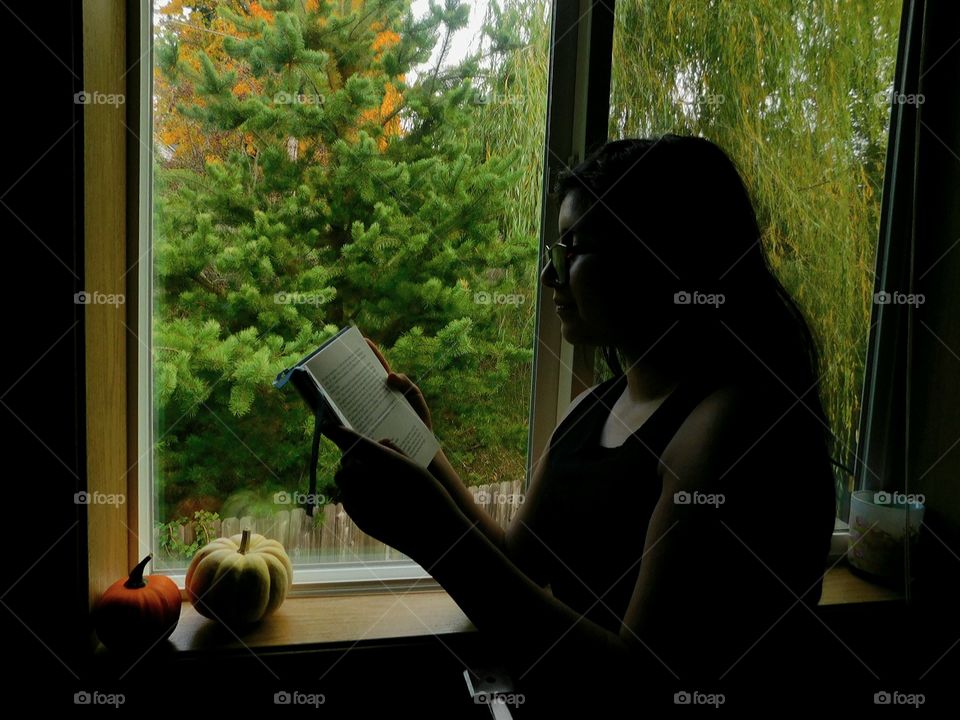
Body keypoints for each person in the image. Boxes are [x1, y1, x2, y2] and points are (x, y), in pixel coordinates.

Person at [323, 135, 837, 712]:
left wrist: (434, 537)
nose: (550, 273)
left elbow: (643, 687)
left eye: (573, 247)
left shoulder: (733, 429)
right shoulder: (595, 408)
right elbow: (517, 561)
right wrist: (424, 450)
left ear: (659, 253)